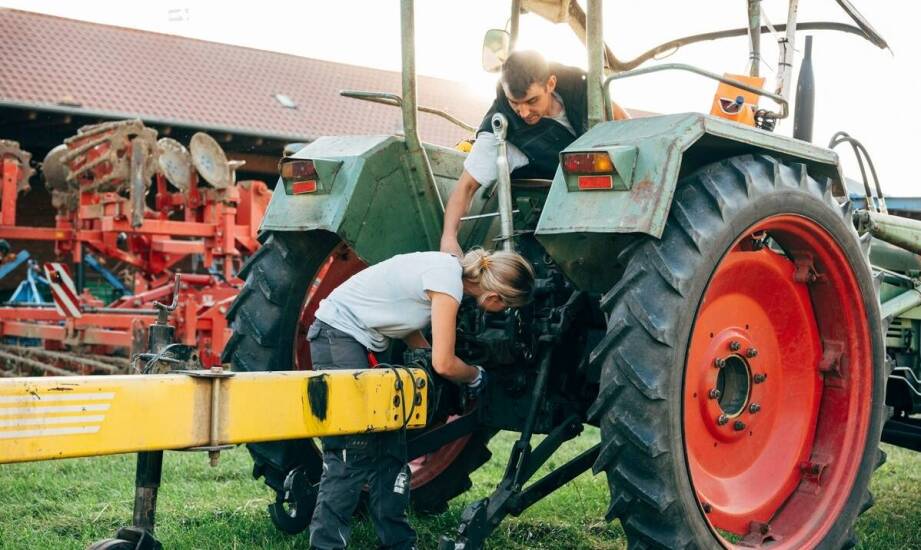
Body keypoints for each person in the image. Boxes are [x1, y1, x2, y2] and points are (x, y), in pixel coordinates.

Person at [307, 248, 535, 550]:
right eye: (507, 307)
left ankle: (398, 543)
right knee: (353, 449)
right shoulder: (448, 285)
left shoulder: (446, 270)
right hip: (337, 335)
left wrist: (429, 357)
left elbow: (406, 322)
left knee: (389, 444)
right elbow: (444, 363)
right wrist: (475, 375)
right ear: (495, 299)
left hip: (351, 337)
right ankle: (325, 545)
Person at [440, 50, 630, 257]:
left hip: (615, 191)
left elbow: (623, 121)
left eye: (532, 101)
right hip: (563, 213)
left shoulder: (582, 89)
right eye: (514, 103)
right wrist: (449, 238)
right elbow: (465, 187)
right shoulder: (501, 129)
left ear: (551, 84)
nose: (523, 113)